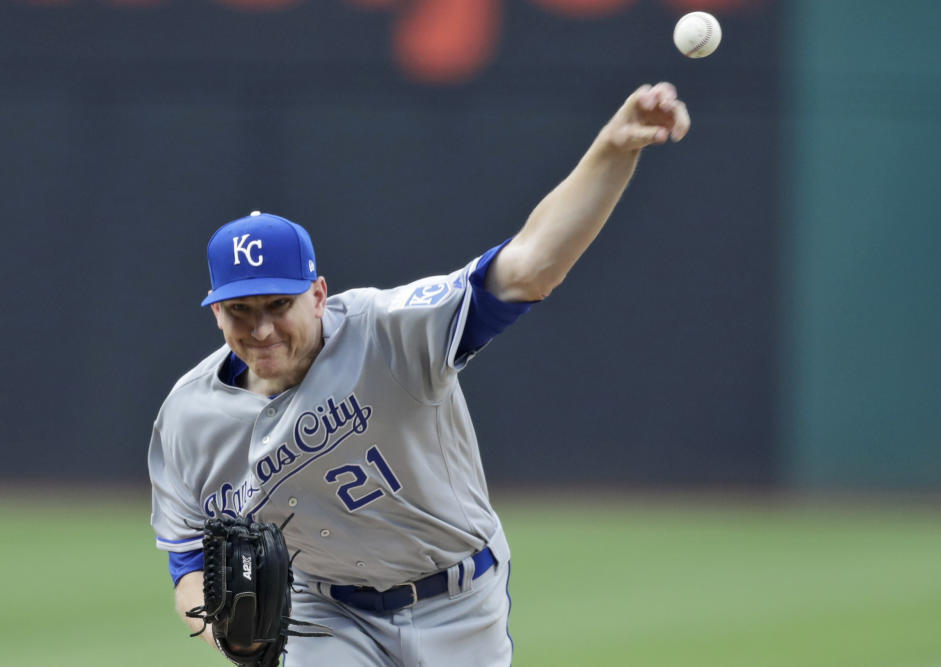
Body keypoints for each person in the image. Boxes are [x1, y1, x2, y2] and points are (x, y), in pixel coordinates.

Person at [148, 82, 690, 666]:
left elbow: (530, 266)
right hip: (321, 615)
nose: (260, 330)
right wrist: (230, 635)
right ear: (215, 312)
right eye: (239, 311)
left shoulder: (391, 331)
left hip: (457, 601)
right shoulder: (187, 419)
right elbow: (188, 563)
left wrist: (613, 148)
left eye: (278, 305)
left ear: (318, 294)